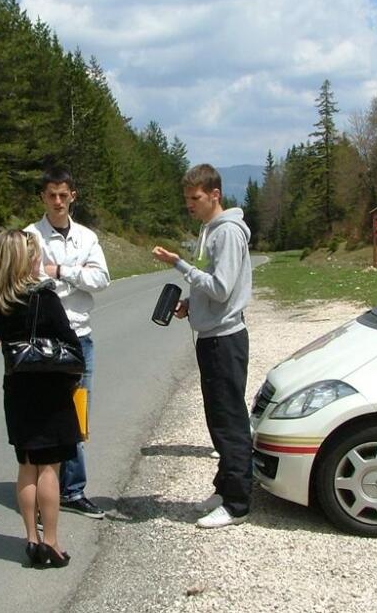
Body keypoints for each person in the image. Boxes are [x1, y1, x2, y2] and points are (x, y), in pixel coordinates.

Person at [152, 164, 253, 529]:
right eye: (186, 199)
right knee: (217, 417)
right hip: (211, 335)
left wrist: (178, 264)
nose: (189, 205)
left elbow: (223, 287)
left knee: (230, 421)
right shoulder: (208, 230)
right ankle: (225, 488)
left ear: (214, 195)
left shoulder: (226, 233)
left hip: (225, 339)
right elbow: (211, 288)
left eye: (195, 199)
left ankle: (238, 503)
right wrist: (191, 305)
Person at [0, 229, 82, 568]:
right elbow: (70, 342)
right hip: (51, 390)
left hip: (18, 389)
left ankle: (31, 538)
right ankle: (51, 541)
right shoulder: (45, 298)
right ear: (28, 258)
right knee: (50, 469)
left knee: (26, 466)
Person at [23, 168, 109, 520]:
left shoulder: (86, 237)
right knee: (45, 415)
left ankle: (73, 490)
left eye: (63, 194)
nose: (57, 201)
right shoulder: (30, 236)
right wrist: (74, 277)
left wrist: (61, 272)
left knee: (76, 414)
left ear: (73, 195)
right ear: (42, 197)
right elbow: (27, 280)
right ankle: (47, 493)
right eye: (51, 195)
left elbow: (101, 279)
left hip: (79, 336)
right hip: (43, 337)